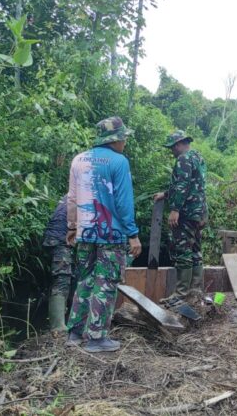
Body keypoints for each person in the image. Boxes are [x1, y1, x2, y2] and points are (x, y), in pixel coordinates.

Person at [66, 116, 142, 352]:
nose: (125, 143)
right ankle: (97, 338)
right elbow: (122, 202)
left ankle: (75, 334)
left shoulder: (79, 159)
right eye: (124, 138)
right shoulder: (119, 162)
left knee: (85, 280)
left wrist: (71, 226)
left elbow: (72, 198)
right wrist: (133, 234)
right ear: (116, 139)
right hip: (111, 235)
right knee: (105, 283)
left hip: (85, 233)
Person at [154, 130, 207, 308]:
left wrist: (175, 209)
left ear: (178, 144)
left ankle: (181, 294)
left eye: (172, 148)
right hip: (198, 212)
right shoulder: (197, 157)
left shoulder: (183, 159)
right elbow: (194, 186)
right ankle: (195, 290)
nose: (171, 151)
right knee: (195, 250)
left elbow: (183, 185)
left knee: (182, 250)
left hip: (185, 213)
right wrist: (166, 194)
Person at [42, 195, 75, 334]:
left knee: (68, 277)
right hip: (61, 238)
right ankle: (58, 326)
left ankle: (66, 320)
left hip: (57, 237)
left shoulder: (72, 194)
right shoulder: (84, 193)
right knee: (62, 278)